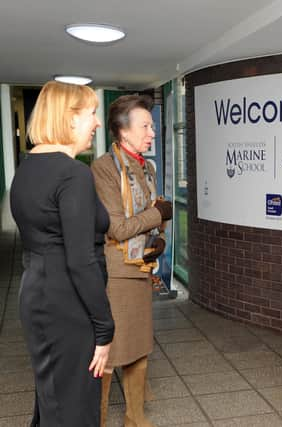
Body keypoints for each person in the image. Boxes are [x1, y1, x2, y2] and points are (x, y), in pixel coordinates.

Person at [10, 81, 114, 426]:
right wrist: (104, 330)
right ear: (69, 120)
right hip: (69, 305)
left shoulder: (26, 169)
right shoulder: (74, 175)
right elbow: (80, 260)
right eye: (91, 114)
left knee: (53, 398)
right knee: (75, 409)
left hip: (37, 296)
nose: (97, 123)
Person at [91, 95, 172, 427]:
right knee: (112, 351)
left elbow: (151, 217)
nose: (152, 132)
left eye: (152, 126)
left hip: (141, 270)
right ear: (123, 132)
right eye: (146, 126)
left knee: (139, 346)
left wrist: (159, 237)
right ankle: (95, 418)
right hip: (118, 273)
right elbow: (118, 226)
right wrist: (156, 215)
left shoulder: (146, 165)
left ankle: (134, 416)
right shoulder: (104, 168)